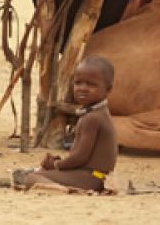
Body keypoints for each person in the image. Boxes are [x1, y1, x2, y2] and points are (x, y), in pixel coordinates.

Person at [20, 56, 117, 192]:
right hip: (93, 175)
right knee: (36, 174)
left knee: (31, 178)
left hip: (90, 177)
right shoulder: (98, 112)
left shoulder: (92, 118)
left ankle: (64, 190)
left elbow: (81, 157)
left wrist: (56, 164)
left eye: (91, 84)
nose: (83, 88)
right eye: (78, 83)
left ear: (108, 89)